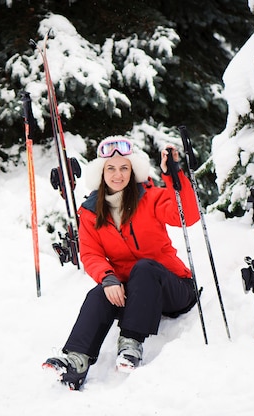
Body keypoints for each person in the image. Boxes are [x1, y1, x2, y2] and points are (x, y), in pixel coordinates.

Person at [42, 136, 200, 390]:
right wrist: (108, 278)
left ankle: (131, 344)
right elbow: (91, 254)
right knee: (99, 293)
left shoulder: (152, 198)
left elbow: (188, 216)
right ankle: (76, 359)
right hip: (135, 293)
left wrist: (174, 176)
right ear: (101, 173)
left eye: (124, 167)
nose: (118, 174)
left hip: (174, 289)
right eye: (111, 168)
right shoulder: (91, 212)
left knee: (144, 267)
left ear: (133, 170)